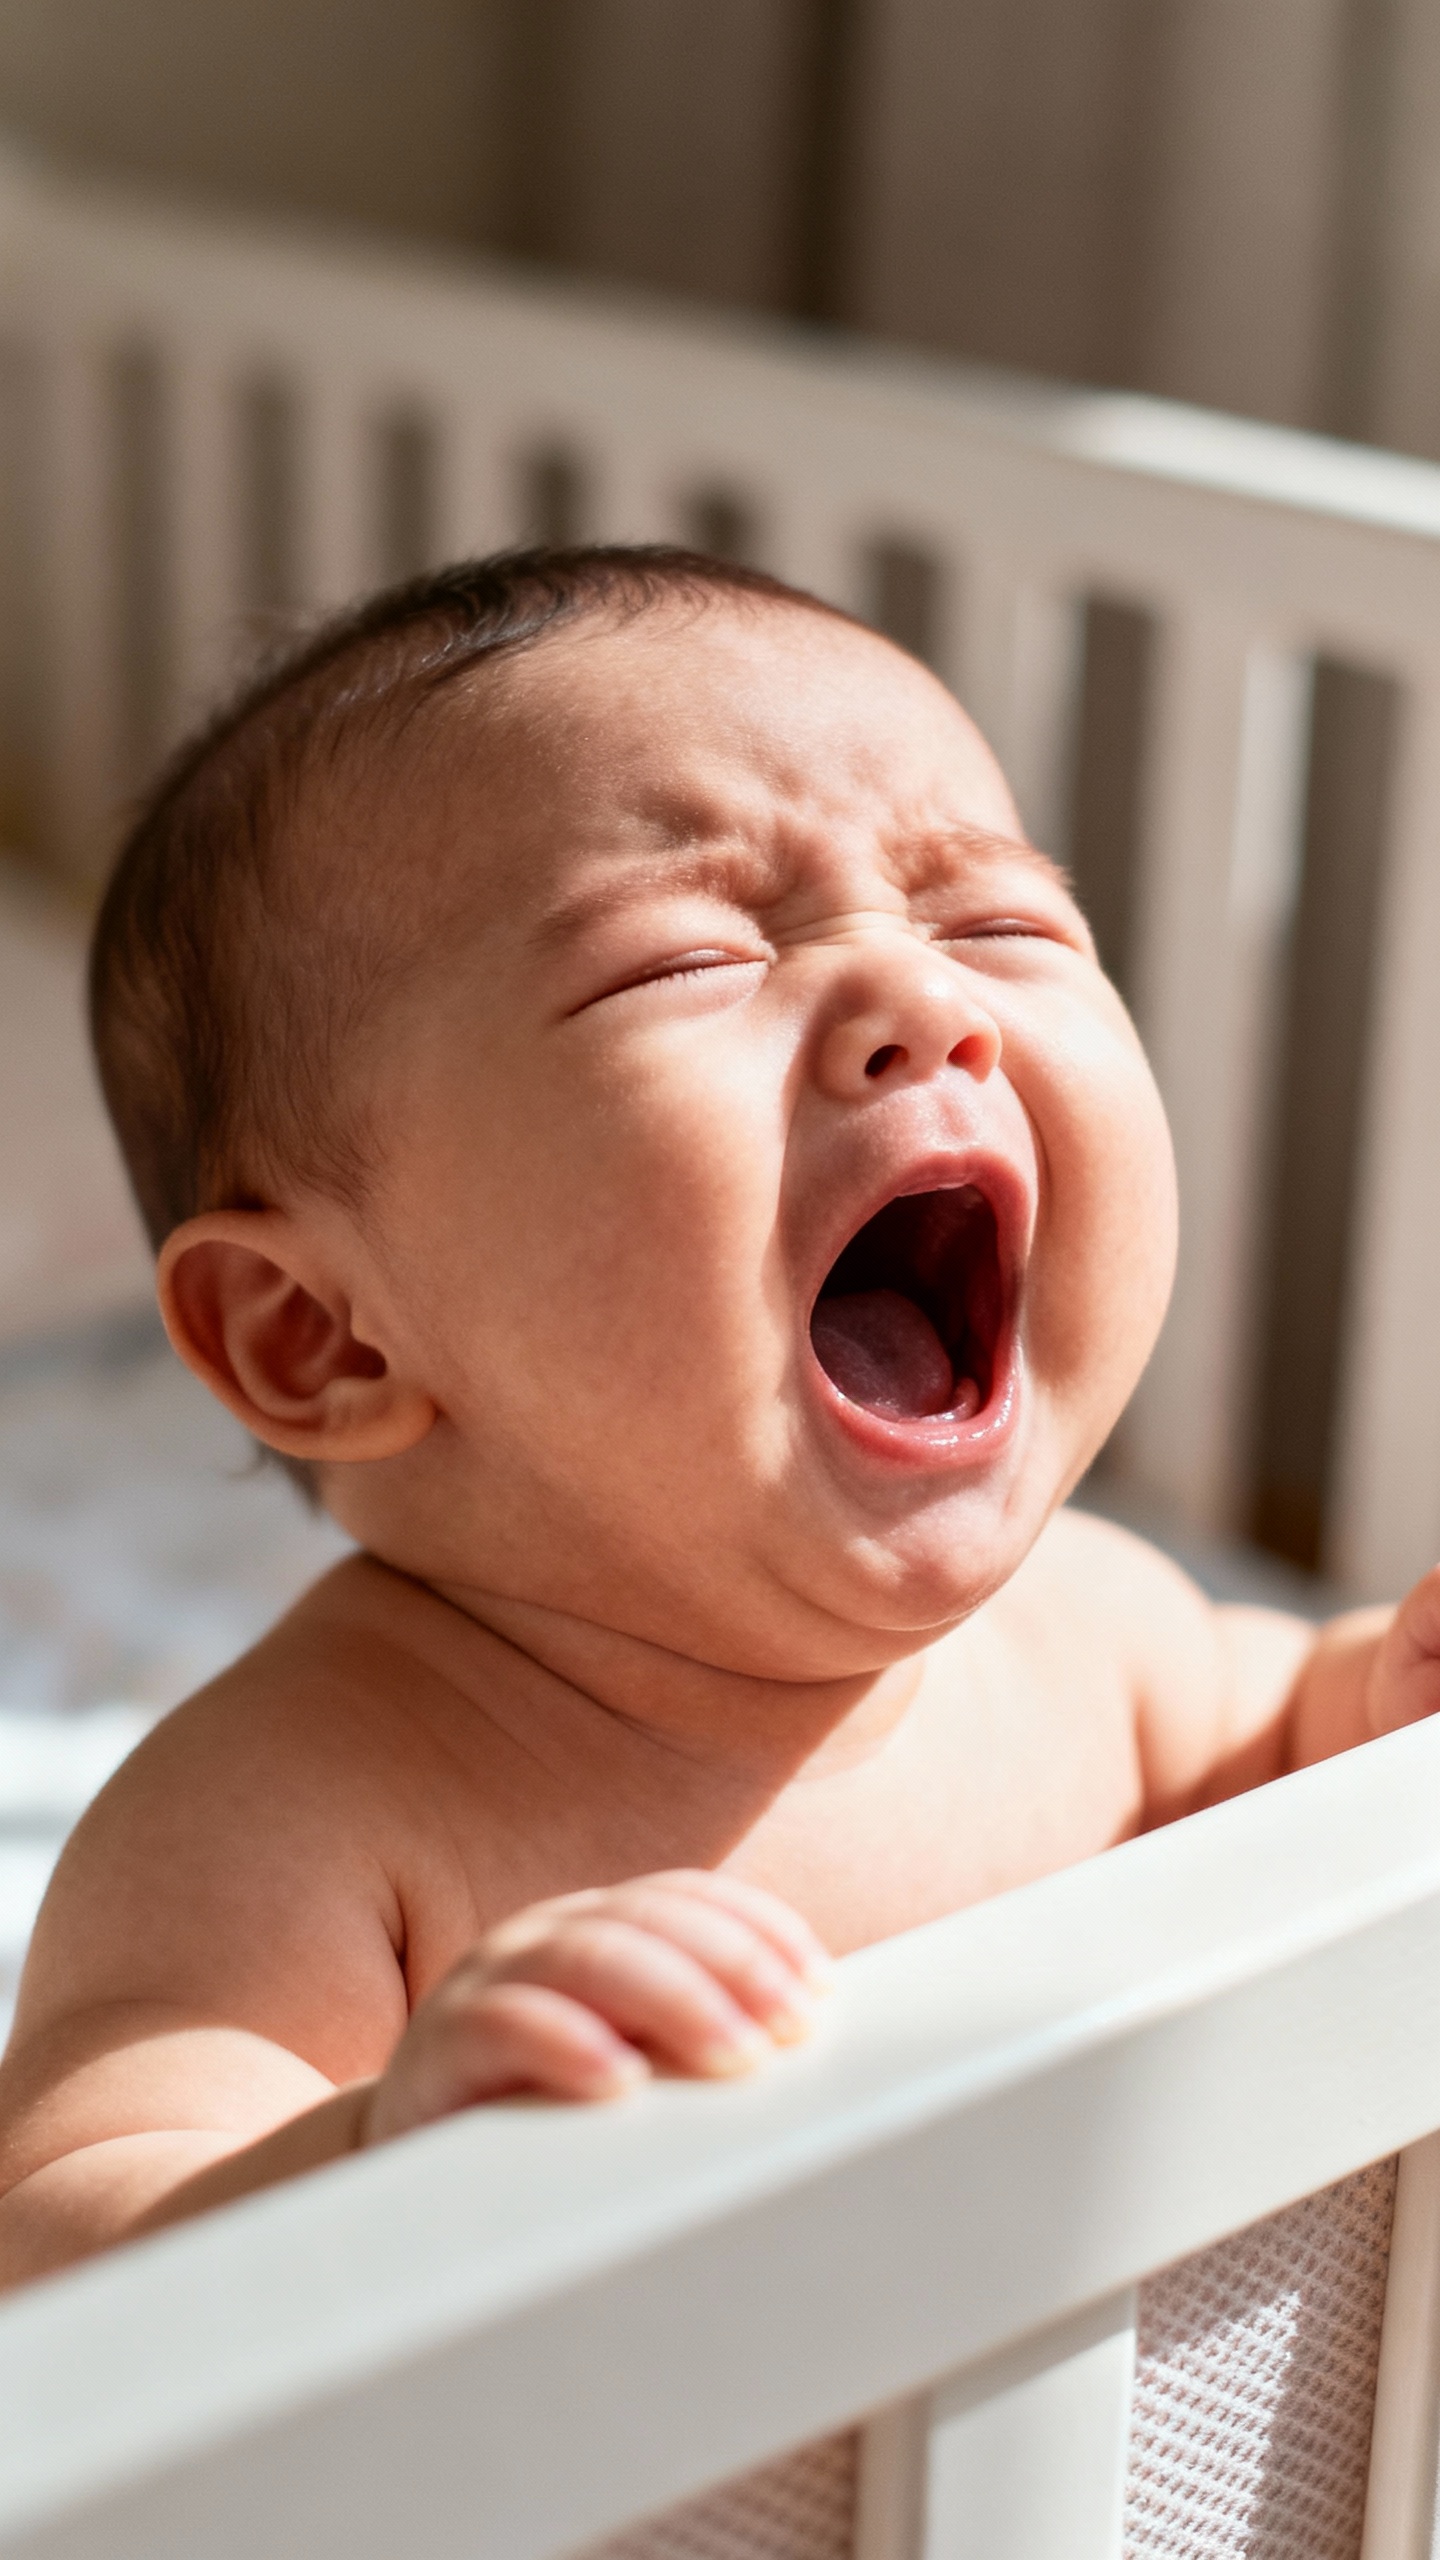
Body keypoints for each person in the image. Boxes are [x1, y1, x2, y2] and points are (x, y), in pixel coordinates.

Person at [0, 548, 1432, 2289]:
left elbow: (1299, 1735)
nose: (930, 1004)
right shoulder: (300, 1817)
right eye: (679, 961)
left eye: (1001, 925)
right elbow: (67, 2222)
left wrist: (1386, 1692)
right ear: (321, 1338)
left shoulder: (1104, 1641)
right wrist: (373, 2159)